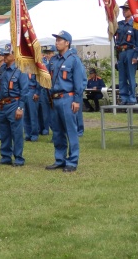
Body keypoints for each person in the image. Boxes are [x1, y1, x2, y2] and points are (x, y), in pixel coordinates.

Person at [46, 31, 86, 172]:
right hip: (55, 99)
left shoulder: (73, 60)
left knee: (71, 131)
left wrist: (76, 100)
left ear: (67, 42)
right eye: (56, 40)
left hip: (68, 99)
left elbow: (79, 83)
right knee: (57, 132)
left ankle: (72, 161)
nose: (57, 42)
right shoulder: (54, 60)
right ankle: (60, 159)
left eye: (59, 40)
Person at [0, 43, 28, 167]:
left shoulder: (20, 70)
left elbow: (24, 91)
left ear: (14, 55)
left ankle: (19, 158)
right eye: (4, 54)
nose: (4, 57)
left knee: (17, 133)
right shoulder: (2, 69)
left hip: (15, 103)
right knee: (4, 131)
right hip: (4, 104)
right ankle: (5, 156)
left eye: (7, 54)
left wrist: (20, 107)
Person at [115, 1, 138, 105]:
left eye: (127, 9)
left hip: (130, 51)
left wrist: (136, 56)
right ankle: (124, 97)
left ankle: (132, 97)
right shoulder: (119, 24)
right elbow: (112, 32)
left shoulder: (136, 25)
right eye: (123, 10)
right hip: (121, 52)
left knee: (131, 76)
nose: (124, 11)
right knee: (122, 77)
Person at [38, 45, 55, 136]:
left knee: (53, 112)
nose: (48, 55)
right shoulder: (44, 63)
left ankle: (54, 128)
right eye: (47, 53)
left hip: (52, 90)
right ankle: (45, 129)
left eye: (49, 53)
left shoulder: (55, 63)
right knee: (45, 112)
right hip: (44, 90)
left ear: (53, 53)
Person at [24, 72, 40, 142]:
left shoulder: (35, 66)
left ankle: (34, 134)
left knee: (33, 114)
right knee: (25, 115)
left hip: (32, 90)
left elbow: (39, 80)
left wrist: (37, 92)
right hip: (24, 91)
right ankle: (28, 134)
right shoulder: (22, 67)